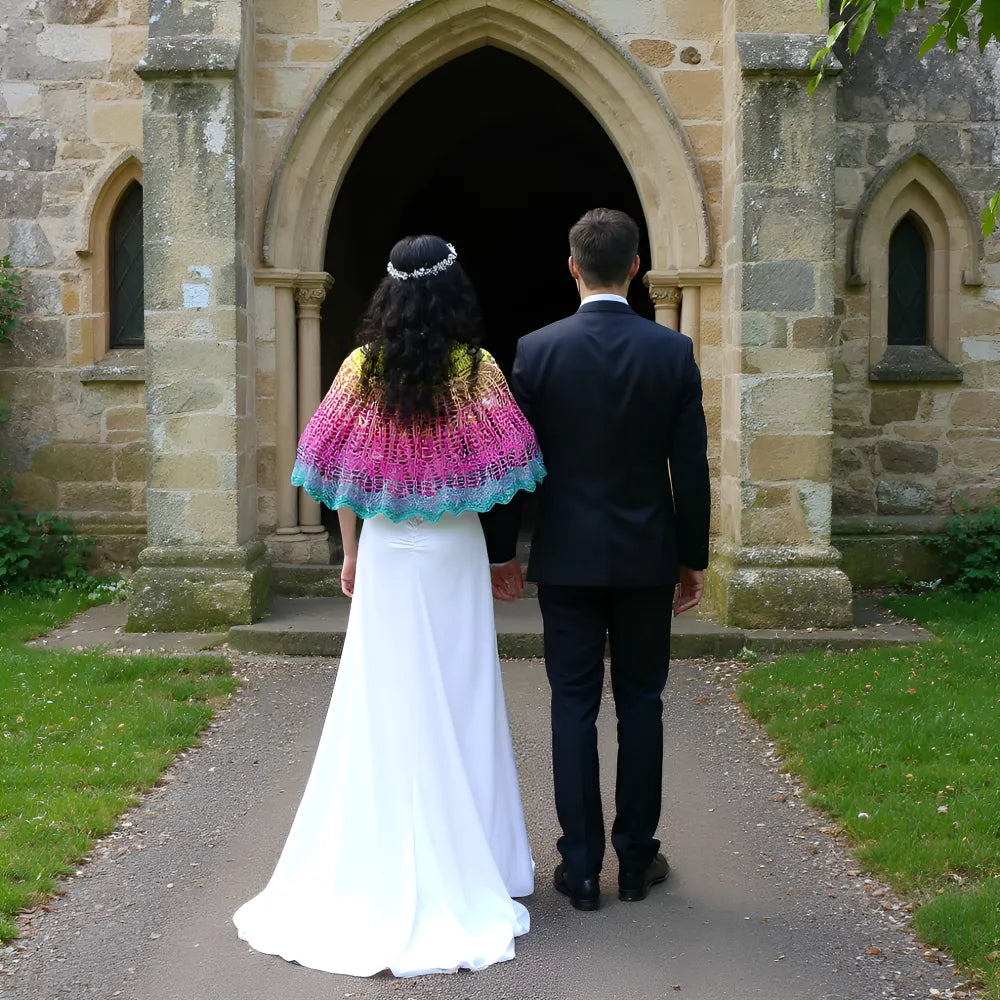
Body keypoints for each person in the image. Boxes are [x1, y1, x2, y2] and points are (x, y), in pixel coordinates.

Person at [233, 236, 545, 977]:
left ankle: (376, 861)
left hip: (383, 548)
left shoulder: (358, 371)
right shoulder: (477, 372)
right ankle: (479, 864)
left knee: (380, 697)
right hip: (451, 549)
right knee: (463, 696)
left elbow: (333, 470)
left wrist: (350, 551)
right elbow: (513, 467)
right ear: (452, 291)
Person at [484, 208, 711, 912]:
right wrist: (692, 557)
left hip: (569, 559)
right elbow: (691, 467)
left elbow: (512, 463)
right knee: (642, 703)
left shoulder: (537, 351)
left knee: (571, 707)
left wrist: (501, 552)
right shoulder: (672, 353)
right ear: (636, 267)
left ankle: (581, 867)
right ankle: (637, 861)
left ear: (574, 267)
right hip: (647, 556)